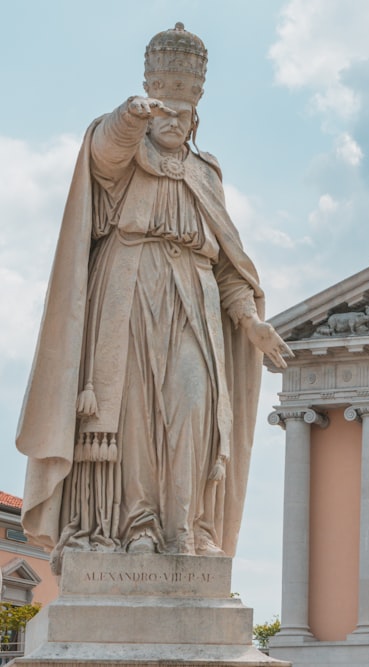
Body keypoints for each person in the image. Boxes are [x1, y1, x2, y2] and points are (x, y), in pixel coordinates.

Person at [16, 24, 291, 570]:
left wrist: (249, 320)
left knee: (193, 409)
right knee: (135, 414)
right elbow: (104, 154)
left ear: (195, 117)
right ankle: (137, 525)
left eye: (182, 113)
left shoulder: (206, 173)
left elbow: (228, 264)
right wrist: (130, 116)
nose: (172, 120)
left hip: (196, 296)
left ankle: (184, 527)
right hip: (128, 290)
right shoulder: (121, 147)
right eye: (163, 109)